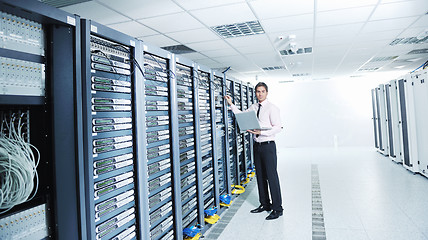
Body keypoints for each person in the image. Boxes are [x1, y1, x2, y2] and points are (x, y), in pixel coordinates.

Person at [224, 82, 283, 220]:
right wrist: (231, 104)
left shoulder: (272, 108)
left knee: (272, 177)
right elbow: (242, 116)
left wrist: (261, 132)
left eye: (262, 91)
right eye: (257, 91)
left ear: (267, 93)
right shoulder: (254, 107)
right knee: (260, 176)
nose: (260, 94)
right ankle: (265, 204)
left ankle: (278, 208)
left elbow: (278, 127)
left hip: (268, 145)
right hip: (257, 146)